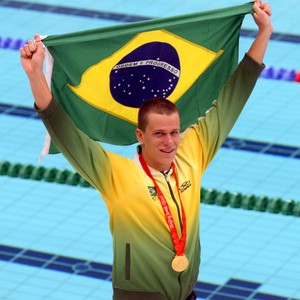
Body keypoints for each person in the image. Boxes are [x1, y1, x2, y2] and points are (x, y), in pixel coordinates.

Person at [20, 1, 272, 299]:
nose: (170, 142)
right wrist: (35, 75)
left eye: (175, 132)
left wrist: (264, 32)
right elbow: (66, 133)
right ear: (140, 135)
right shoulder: (116, 175)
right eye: (160, 134)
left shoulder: (193, 153)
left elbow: (234, 95)